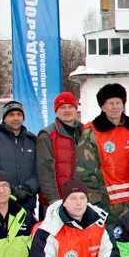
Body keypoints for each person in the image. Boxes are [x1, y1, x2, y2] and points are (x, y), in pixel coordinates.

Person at [75, 83, 129, 220]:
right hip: (108, 203)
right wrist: (94, 201)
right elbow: (85, 171)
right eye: (110, 103)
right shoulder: (92, 132)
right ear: (103, 107)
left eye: (118, 102)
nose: (115, 107)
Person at [0, 100, 39, 217]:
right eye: (11, 115)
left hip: (26, 204)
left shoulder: (32, 141)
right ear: (4, 118)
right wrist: (10, 190)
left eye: (19, 114)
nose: (16, 118)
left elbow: (40, 171)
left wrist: (27, 189)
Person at [37, 91, 83, 219]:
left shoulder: (86, 132)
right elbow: (45, 170)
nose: (67, 110)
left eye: (70, 107)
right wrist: (54, 201)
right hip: (56, 202)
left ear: (76, 109)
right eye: (63, 107)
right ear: (56, 111)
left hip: (80, 201)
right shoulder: (47, 135)